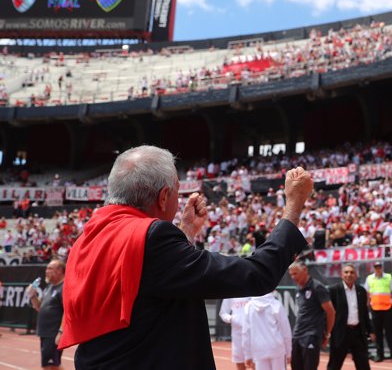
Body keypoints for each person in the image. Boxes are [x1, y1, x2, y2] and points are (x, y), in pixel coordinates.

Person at [58, 145, 312, 370]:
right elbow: (257, 274)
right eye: (177, 193)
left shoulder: (87, 238)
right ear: (163, 196)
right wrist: (294, 205)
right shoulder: (152, 237)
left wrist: (185, 233)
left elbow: (149, 285)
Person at [288, 260, 336, 370]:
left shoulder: (317, 287)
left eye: (295, 273)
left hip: (311, 335)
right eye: (291, 274)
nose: (293, 277)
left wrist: (327, 334)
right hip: (297, 334)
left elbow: (331, 312)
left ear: (305, 270)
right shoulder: (298, 288)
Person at [327, 264, 374, 370]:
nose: (349, 275)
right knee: (334, 365)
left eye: (352, 272)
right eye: (346, 272)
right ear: (341, 275)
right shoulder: (334, 290)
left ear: (356, 275)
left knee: (363, 365)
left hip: (358, 333)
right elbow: (328, 313)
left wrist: (371, 330)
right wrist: (327, 332)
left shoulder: (361, 291)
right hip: (340, 333)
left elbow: (364, 313)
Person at [27, 259, 65, 370]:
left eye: (50, 268)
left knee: (50, 366)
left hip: (53, 333)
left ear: (59, 271)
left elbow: (67, 311)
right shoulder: (49, 287)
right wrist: (32, 296)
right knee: (51, 365)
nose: (46, 271)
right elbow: (40, 307)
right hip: (45, 333)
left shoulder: (63, 287)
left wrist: (61, 332)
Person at [365, 262, 392, 363]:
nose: (378, 269)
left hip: (387, 308)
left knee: (390, 332)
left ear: (382, 268)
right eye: (376, 267)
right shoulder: (369, 278)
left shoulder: (388, 277)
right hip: (375, 308)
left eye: (379, 267)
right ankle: (380, 355)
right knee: (377, 333)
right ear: (373, 268)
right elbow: (367, 294)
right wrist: (365, 306)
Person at [242, 292, 292, 370]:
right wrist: (289, 352)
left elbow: (245, 332)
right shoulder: (276, 305)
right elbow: (286, 331)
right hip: (277, 349)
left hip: (259, 349)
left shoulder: (249, 307)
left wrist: (247, 355)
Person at [219, 297, 251, 370]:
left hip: (253, 332)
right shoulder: (231, 293)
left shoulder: (253, 290)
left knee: (255, 362)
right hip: (237, 333)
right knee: (240, 362)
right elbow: (223, 313)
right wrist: (231, 318)